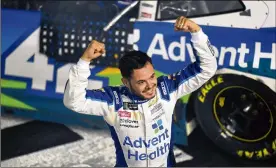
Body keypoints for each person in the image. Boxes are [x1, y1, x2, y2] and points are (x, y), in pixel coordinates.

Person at [63, 16, 217, 167]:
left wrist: (197, 33)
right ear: (126, 82)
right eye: (141, 82)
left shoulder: (167, 89)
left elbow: (207, 68)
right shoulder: (113, 101)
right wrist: (84, 62)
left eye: (152, 77)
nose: (150, 85)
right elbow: (74, 102)